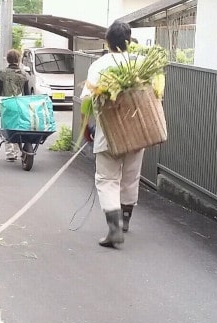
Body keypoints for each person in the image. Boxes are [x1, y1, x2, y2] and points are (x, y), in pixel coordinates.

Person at [80, 20, 145, 248]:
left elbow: (87, 99)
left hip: (108, 130)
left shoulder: (100, 65)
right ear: (129, 41)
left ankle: (114, 227)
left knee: (107, 179)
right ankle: (125, 220)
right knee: (130, 176)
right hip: (139, 129)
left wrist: (87, 127)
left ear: (107, 41)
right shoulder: (141, 63)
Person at [0, 49, 29, 161]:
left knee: (7, 128)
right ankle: (17, 150)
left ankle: (10, 154)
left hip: (6, 104)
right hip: (19, 104)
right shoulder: (24, 74)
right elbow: (27, 94)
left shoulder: (2, 73)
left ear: (7, 59)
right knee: (18, 127)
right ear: (18, 59)